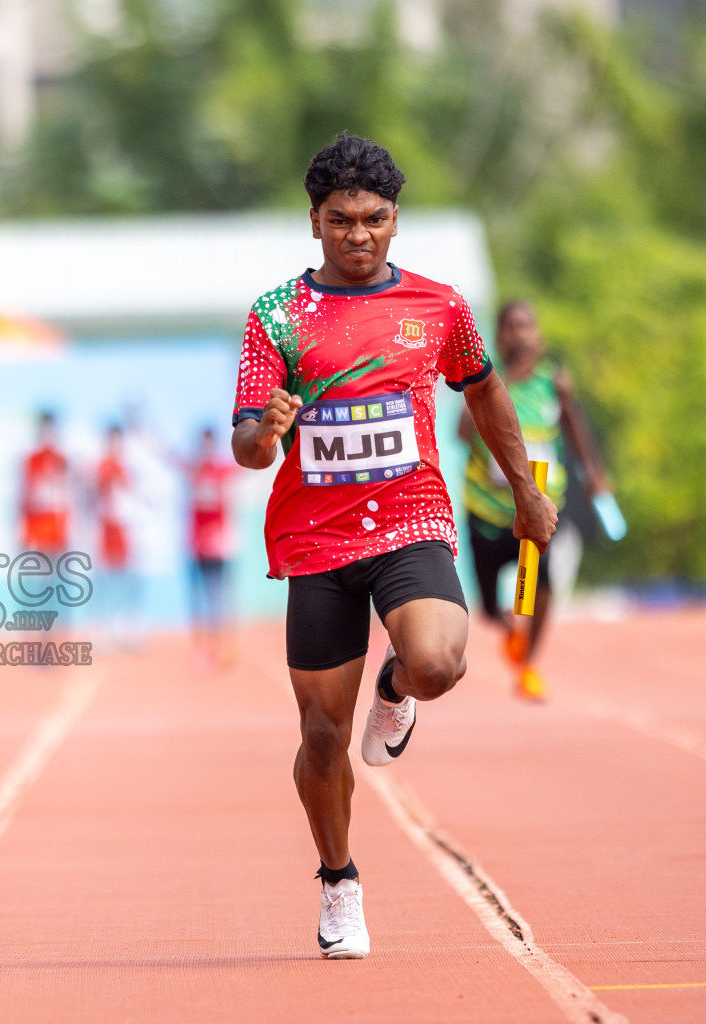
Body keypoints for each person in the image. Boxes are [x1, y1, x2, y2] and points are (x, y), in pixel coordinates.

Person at [230, 133, 557, 960]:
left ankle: (395, 684)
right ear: (314, 223)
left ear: (395, 221)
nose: (358, 235)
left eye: (374, 219)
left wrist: (524, 492)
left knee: (441, 662)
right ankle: (338, 880)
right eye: (340, 220)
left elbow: (484, 393)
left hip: (412, 518)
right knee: (318, 740)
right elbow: (246, 445)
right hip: (316, 540)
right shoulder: (276, 317)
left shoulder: (439, 307)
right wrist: (263, 435)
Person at [457, 300, 611, 701]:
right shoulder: (486, 381)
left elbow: (574, 428)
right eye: (512, 327)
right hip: (489, 511)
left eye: (527, 326)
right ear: (500, 334)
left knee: (540, 590)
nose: (520, 334)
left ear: (538, 335)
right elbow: (461, 432)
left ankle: (528, 665)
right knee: (490, 606)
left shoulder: (553, 384)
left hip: (539, 508)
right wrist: (504, 380)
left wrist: (593, 472)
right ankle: (509, 630)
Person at [185, 427, 238, 666]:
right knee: (199, 598)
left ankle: (220, 648)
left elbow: (246, 467)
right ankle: (201, 648)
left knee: (219, 596)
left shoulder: (220, 470)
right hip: (197, 545)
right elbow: (166, 455)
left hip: (218, 546)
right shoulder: (195, 469)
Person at [94, 424, 137, 648]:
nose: (115, 445)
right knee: (104, 582)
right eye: (111, 440)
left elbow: (131, 493)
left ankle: (124, 630)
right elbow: (96, 493)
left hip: (121, 527)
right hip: (106, 527)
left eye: (118, 440)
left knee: (125, 580)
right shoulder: (103, 466)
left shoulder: (123, 466)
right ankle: (102, 633)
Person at [21, 411, 70, 556]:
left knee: (56, 559)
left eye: (51, 430)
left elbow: (66, 489)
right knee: (40, 560)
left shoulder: (61, 458)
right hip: (38, 517)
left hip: (56, 516)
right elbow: (28, 490)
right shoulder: (33, 459)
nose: (48, 434)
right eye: (44, 429)